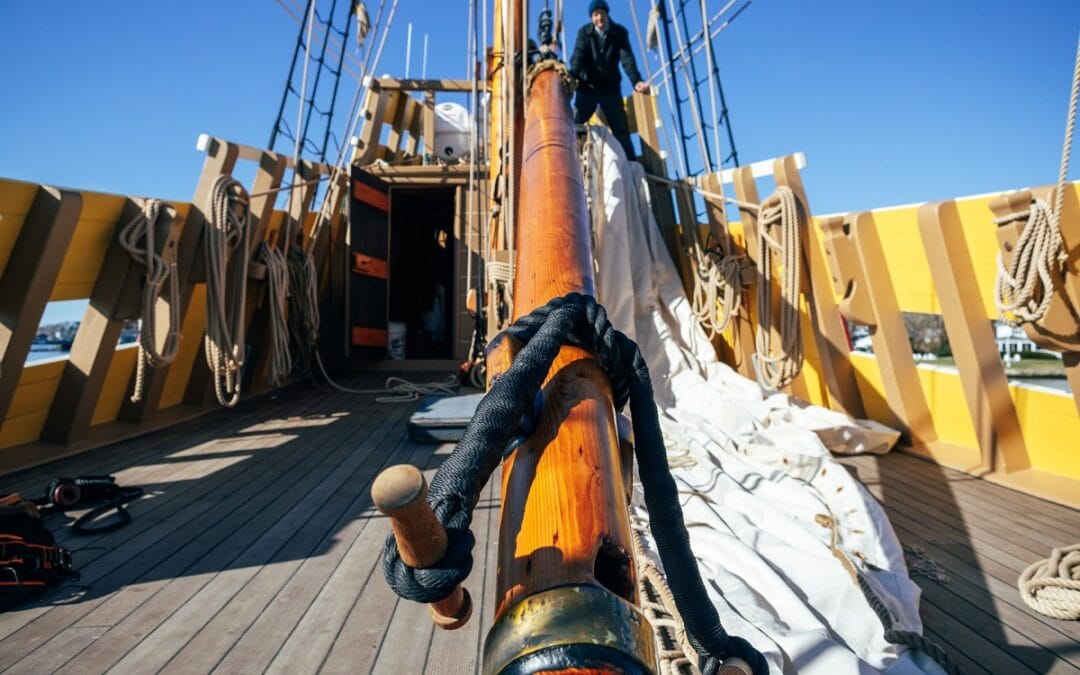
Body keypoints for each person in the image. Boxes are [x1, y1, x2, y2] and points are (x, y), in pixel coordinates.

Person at [569, 0, 650, 160]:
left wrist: (636, 81)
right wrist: (573, 77)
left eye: (602, 13)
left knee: (621, 130)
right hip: (588, 88)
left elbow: (627, 60)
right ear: (592, 18)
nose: (599, 18)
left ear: (607, 14)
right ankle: (572, 161)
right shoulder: (585, 33)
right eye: (595, 15)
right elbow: (577, 58)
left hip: (609, 89)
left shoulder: (619, 33)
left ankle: (632, 168)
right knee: (575, 125)